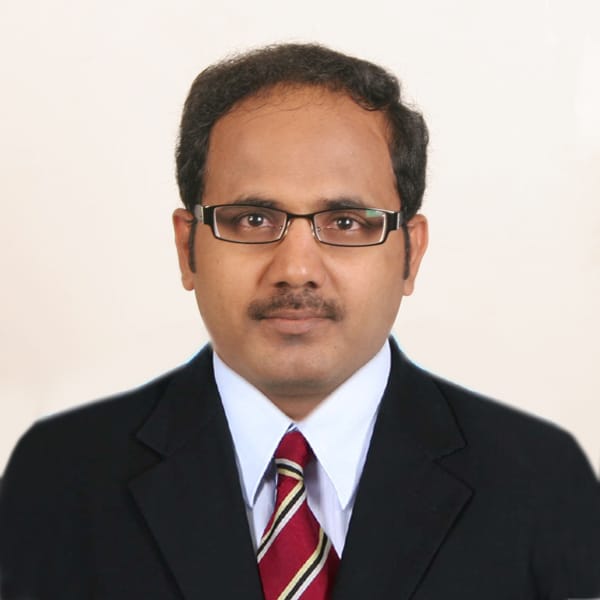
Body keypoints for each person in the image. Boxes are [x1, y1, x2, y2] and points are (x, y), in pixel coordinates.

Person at [0, 43, 599, 600]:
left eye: (346, 223)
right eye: (252, 219)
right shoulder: (56, 477)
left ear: (410, 254)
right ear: (188, 248)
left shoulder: (544, 483)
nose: (296, 270)